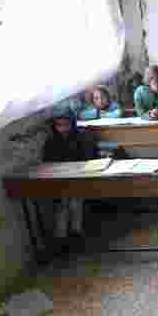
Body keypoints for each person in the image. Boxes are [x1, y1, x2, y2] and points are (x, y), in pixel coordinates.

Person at [42, 104, 98, 255]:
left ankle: (76, 234)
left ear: (72, 124)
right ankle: (61, 239)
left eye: (66, 124)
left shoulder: (79, 138)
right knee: (62, 207)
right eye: (59, 125)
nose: (63, 128)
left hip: (77, 179)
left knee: (75, 203)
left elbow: (85, 158)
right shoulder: (51, 142)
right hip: (58, 182)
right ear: (54, 126)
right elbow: (48, 163)